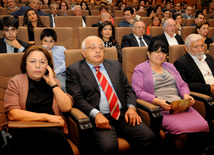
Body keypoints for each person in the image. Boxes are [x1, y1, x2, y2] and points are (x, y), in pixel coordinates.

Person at [66, 35, 156, 155]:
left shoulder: (115, 65)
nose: (98, 50)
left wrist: (131, 108)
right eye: (92, 48)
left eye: (100, 47)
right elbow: (77, 99)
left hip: (124, 115)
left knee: (149, 138)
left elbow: (127, 89)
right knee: (108, 147)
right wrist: (96, 114)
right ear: (83, 52)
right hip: (99, 118)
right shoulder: (74, 70)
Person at [131, 39, 209, 155]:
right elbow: (138, 91)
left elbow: (182, 84)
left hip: (180, 105)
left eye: (163, 52)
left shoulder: (170, 66)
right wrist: (157, 101)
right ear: (148, 53)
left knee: (203, 127)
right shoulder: (141, 69)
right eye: (156, 52)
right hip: (162, 108)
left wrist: (186, 95)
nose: (161, 55)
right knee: (181, 133)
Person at [4, 45, 74, 155]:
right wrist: (47, 117)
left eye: (42, 62)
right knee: (53, 136)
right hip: (25, 132)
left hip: (52, 132)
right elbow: (13, 114)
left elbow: (66, 107)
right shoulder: (16, 81)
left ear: (48, 66)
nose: (37, 66)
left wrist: (53, 84)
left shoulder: (54, 82)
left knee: (53, 137)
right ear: (25, 64)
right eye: (32, 61)